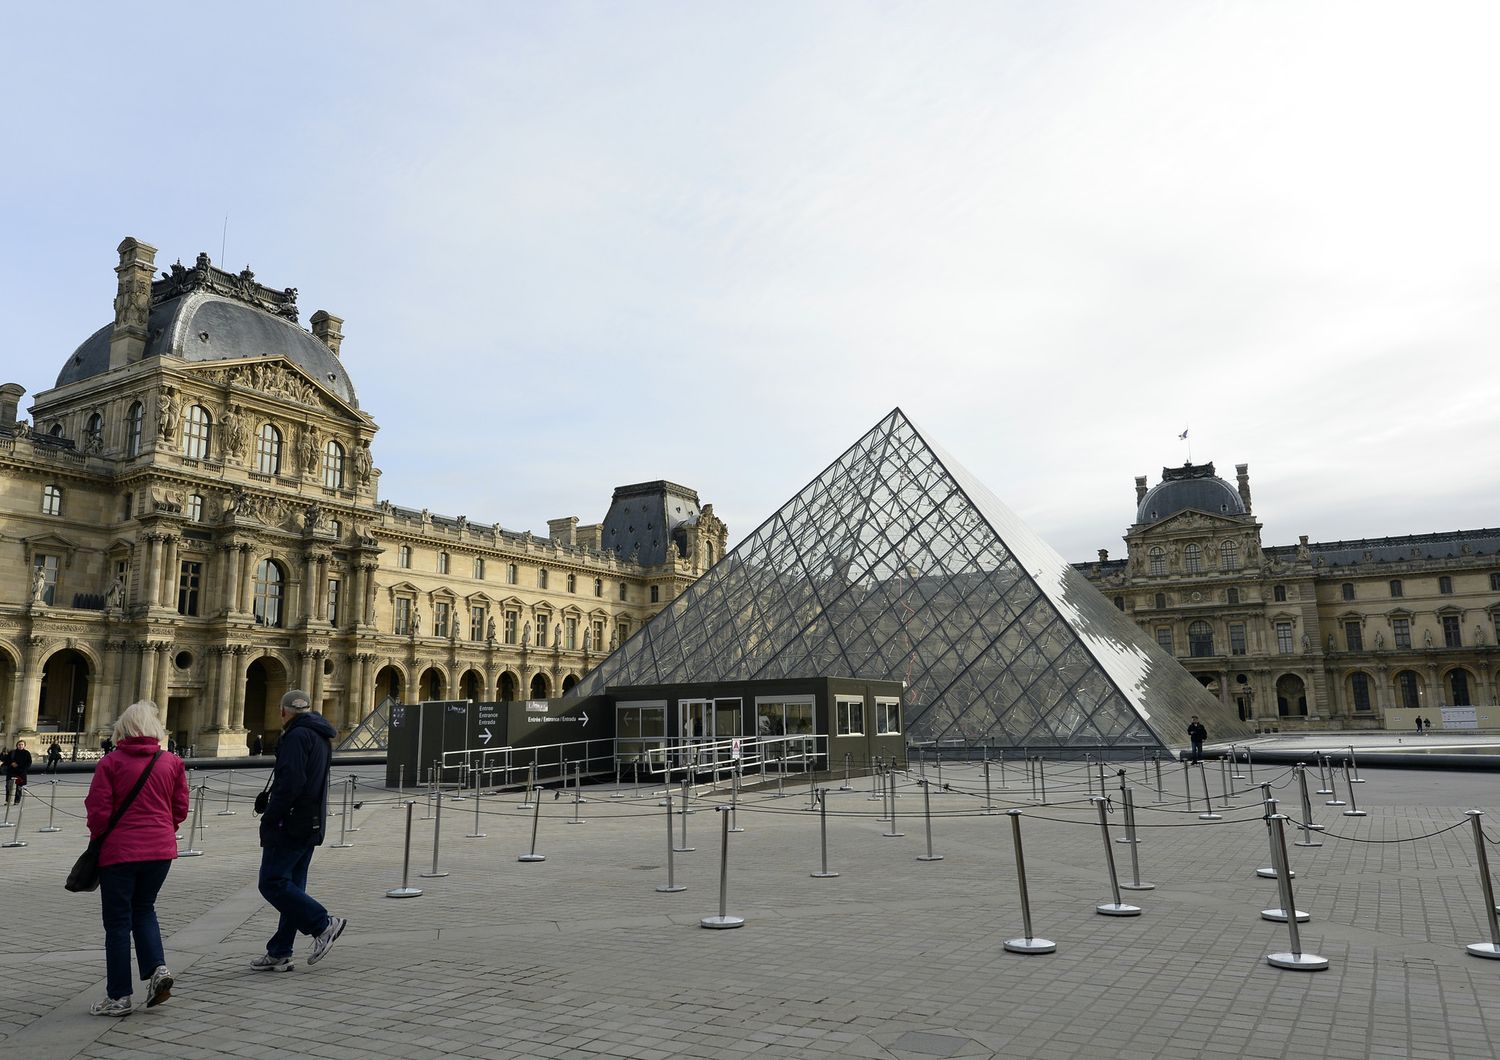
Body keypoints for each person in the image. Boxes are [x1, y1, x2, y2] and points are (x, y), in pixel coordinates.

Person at [84, 701, 189, 1017]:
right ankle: (157, 969)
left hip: (120, 853)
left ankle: (119, 997)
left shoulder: (111, 763)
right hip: (160, 852)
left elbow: (98, 811)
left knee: (117, 923)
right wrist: (161, 831)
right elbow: (180, 808)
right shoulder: (171, 762)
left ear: (123, 729)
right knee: (144, 909)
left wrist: (100, 840)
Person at [252, 689, 345, 973]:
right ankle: (280, 951)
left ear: (283, 712)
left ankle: (322, 924)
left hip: (290, 824)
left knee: (272, 883)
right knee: (293, 887)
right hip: (312, 821)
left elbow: (290, 783)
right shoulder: (320, 736)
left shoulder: (295, 737)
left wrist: (271, 816)